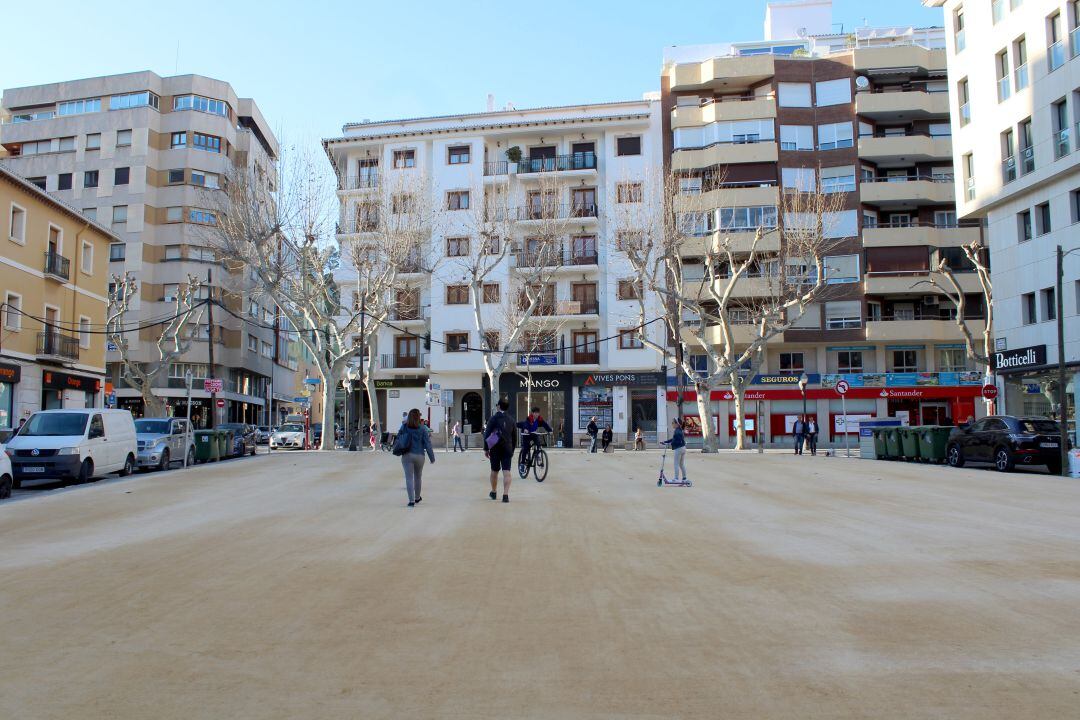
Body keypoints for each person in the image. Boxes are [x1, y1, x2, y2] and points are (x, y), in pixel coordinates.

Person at [397, 408, 435, 507]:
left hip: (407, 455)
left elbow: (398, 438)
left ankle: (411, 501)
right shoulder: (422, 428)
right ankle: (417, 497)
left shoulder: (404, 426)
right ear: (419, 417)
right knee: (418, 477)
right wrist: (432, 457)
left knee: (409, 478)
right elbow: (428, 444)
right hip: (419, 455)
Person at [483, 398, 516, 503]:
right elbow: (514, 437)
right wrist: (512, 450)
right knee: (507, 472)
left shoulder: (493, 419)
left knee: (494, 471)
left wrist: (486, 448)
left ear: (498, 406)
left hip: (495, 448)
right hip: (507, 448)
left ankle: (493, 492)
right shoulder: (511, 419)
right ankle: (505, 495)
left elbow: (487, 434)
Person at [517, 407, 552, 471]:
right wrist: (525, 429)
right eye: (535, 413)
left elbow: (545, 425)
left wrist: (549, 430)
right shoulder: (529, 419)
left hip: (533, 434)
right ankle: (522, 464)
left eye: (538, 413)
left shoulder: (539, 419)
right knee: (526, 448)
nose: (537, 414)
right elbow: (525, 424)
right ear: (532, 413)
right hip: (526, 434)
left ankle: (538, 454)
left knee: (538, 443)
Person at [661, 418, 687, 483]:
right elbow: (674, 439)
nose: (672, 424)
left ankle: (676, 478)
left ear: (676, 424)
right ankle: (684, 478)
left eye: (672, 423)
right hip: (683, 448)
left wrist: (671, 443)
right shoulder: (679, 430)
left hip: (679, 449)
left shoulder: (677, 431)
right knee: (681, 464)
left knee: (676, 464)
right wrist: (666, 441)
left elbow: (677, 441)